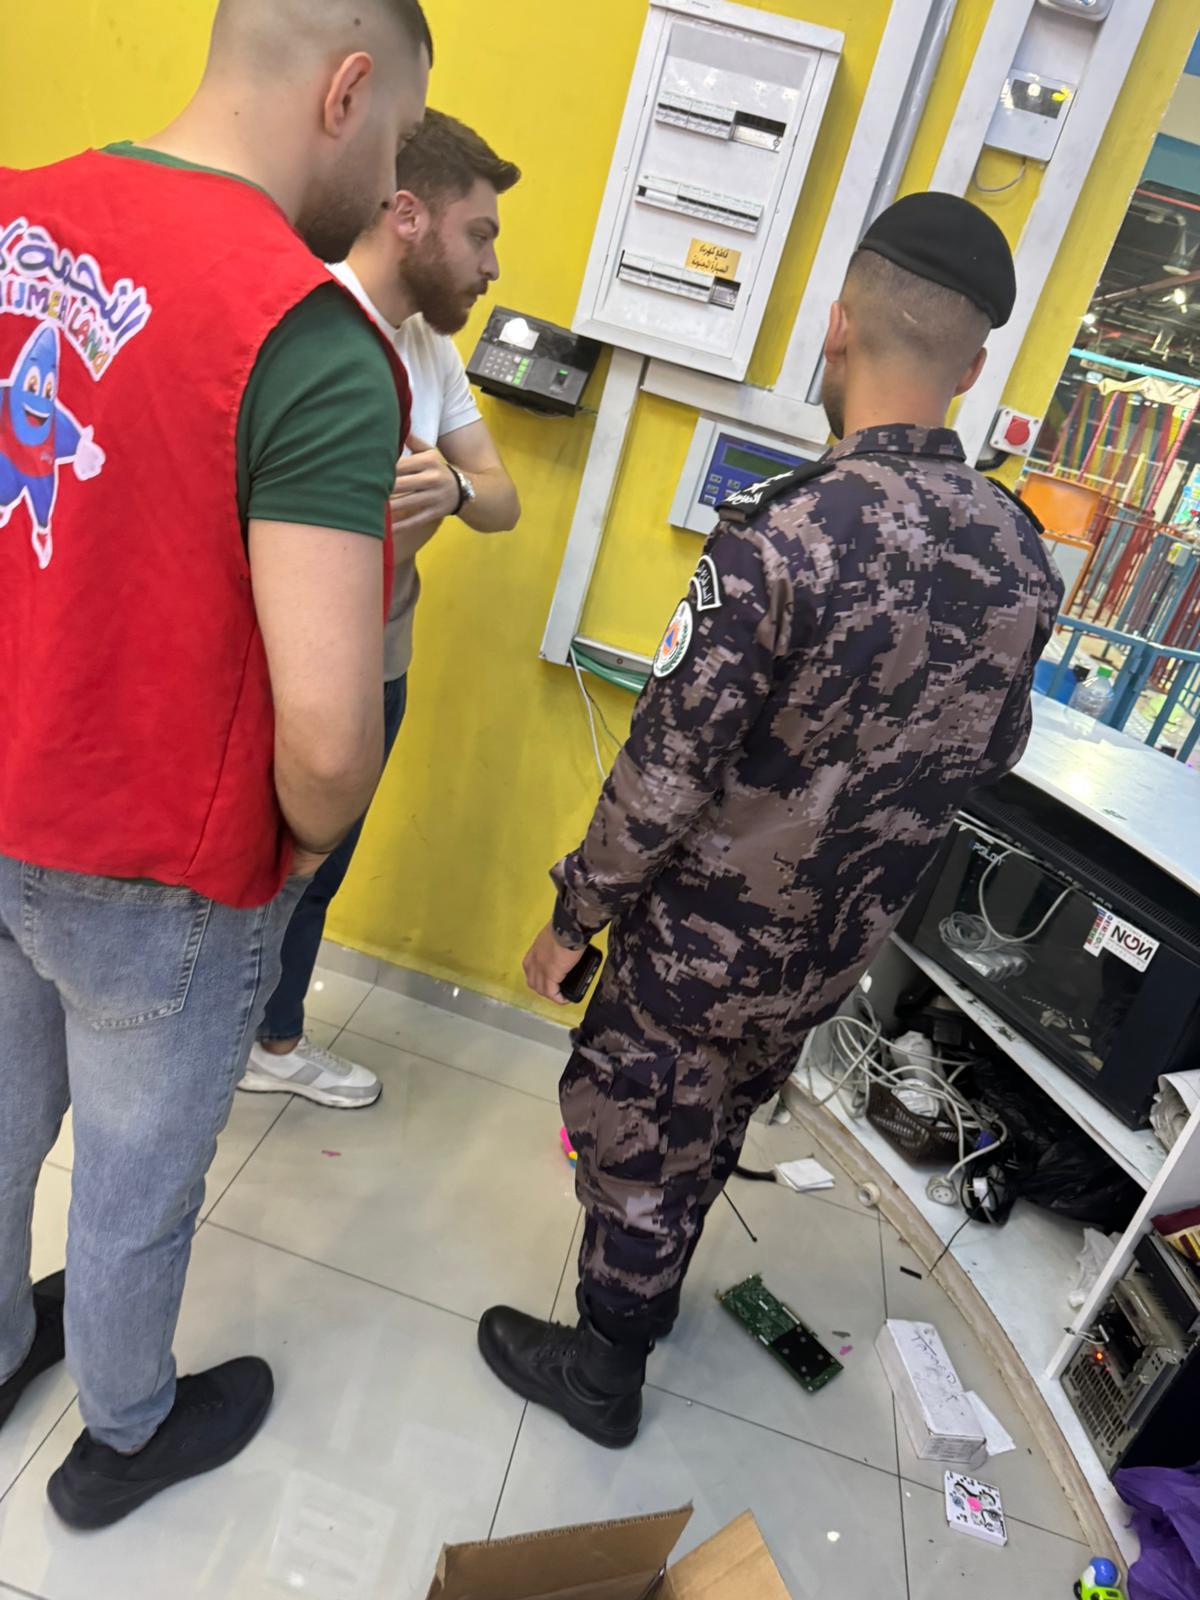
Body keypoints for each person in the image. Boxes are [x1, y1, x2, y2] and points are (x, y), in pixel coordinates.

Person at [478, 193, 1065, 1447]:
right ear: (972, 369)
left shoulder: (783, 536)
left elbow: (667, 769)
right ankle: (648, 1294)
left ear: (838, 324)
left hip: (706, 935)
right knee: (723, 1106)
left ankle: (603, 1368)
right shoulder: (1021, 557)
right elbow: (996, 751)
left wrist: (575, 917)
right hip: (838, 943)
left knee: (641, 1121)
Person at [0, 0, 431, 1529]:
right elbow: (328, 732)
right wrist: (302, 845)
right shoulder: (305, 335)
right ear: (347, 90)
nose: (390, 180)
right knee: (136, 1176)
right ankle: (124, 1431)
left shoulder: (12, 216)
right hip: (160, 858)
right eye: (396, 139)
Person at [240, 111, 522, 1108]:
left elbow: (503, 499)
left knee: (318, 870)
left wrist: (457, 485)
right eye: (479, 233)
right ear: (408, 215)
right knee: (251, 868)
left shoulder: (427, 351)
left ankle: (271, 1040)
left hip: (382, 653)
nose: (491, 265)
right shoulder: (307, 322)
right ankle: (209, 1040)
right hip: (283, 657)